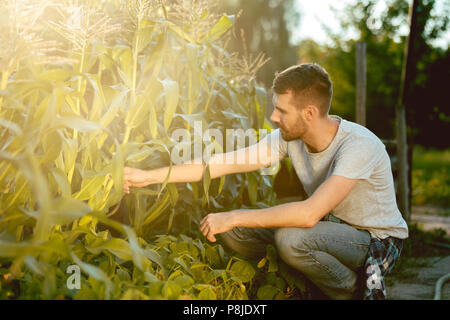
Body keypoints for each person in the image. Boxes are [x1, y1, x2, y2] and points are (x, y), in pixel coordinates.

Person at [122, 63, 408, 300]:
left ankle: (350, 291)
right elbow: (222, 163)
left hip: (373, 240)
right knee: (232, 232)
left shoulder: (358, 146)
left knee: (289, 239)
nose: (273, 117)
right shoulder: (290, 139)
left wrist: (235, 215)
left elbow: (309, 215)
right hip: (330, 229)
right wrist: (148, 176)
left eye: (281, 110)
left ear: (309, 113)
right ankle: (305, 280)